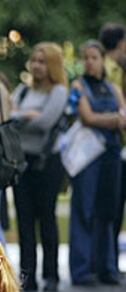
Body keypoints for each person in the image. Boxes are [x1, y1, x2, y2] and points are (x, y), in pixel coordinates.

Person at [10, 42, 68, 292]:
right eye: (34, 60)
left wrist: (22, 115)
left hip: (47, 162)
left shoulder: (58, 91)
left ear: (52, 65)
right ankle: (27, 276)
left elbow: (45, 122)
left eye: (43, 61)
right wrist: (28, 114)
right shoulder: (22, 91)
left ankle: (51, 275)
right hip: (21, 161)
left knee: (46, 216)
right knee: (24, 220)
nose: (37, 65)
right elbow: (7, 119)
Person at [69, 40, 126, 286]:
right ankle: (82, 269)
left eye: (94, 57)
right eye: (86, 58)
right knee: (84, 209)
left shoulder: (113, 88)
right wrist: (114, 119)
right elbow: (87, 117)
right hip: (88, 156)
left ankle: (107, 266)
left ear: (103, 60)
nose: (90, 62)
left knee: (108, 210)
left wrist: (111, 119)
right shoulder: (78, 85)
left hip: (111, 155)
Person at [99, 23, 126, 271]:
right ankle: (108, 264)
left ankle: (108, 263)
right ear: (120, 43)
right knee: (112, 208)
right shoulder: (112, 70)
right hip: (111, 146)